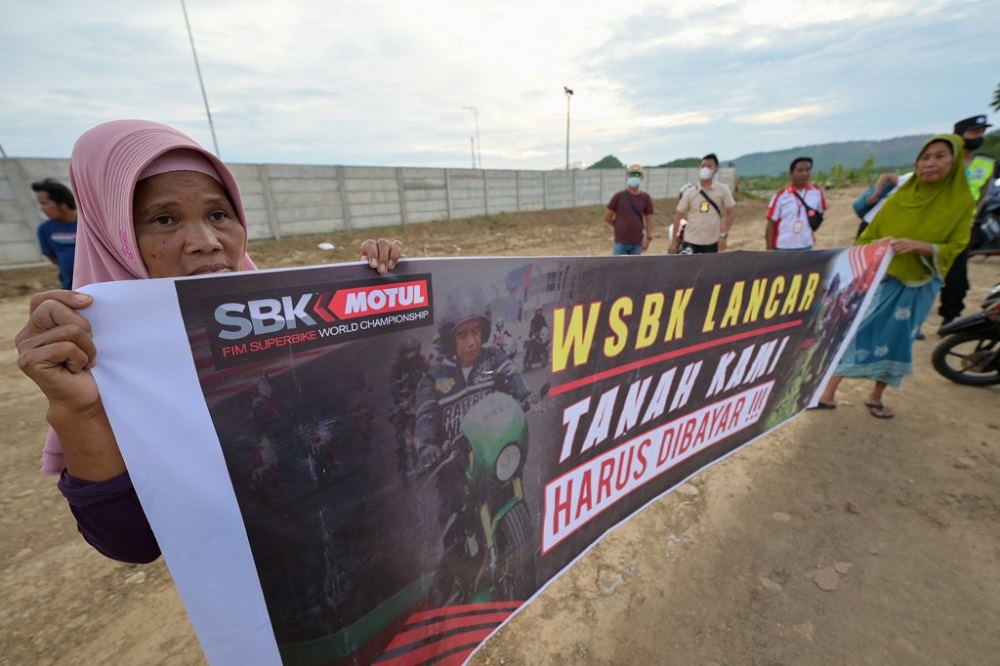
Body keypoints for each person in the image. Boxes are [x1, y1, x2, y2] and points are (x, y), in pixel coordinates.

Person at [14, 119, 404, 564]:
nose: (206, 242)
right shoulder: (94, 362)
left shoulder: (293, 319)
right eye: (164, 219)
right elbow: (132, 543)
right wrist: (80, 412)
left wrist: (383, 300)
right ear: (111, 231)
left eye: (218, 215)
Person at [815, 134, 973, 419]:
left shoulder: (961, 204)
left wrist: (921, 246)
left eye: (939, 156)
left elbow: (958, 246)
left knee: (899, 338)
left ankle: (876, 396)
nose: (929, 164)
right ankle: (827, 392)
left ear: (955, 161)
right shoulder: (898, 199)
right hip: (883, 281)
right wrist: (881, 243)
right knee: (856, 330)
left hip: (919, 285)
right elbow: (865, 240)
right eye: (924, 157)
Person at [938, 114, 996, 330]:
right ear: (959, 135)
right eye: (973, 132)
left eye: (981, 132)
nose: (978, 136)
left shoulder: (986, 164)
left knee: (957, 278)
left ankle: (949, 317)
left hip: (962, 228)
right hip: (935, 225)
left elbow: (983, 197)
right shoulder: (943, 160)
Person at [670, 153, 735, 254]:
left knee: (709, 269)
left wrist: (724, 235)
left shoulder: (722, 190)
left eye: (709, 166)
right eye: (703, 166)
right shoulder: (690, 192)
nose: (705, 169)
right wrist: (674, 241)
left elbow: (731, 213)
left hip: (712, 242)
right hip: (690, 241)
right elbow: (678, 216)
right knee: (689, 268)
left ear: (716, 169)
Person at [765, 157, 827, 251]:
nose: (804, 174)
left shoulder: (818, 193)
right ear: (791, 173)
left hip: (806, 245)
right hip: (782, 247)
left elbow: (820, 213)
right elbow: (770, 225)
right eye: (800, 170)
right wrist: (769, 251)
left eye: (807, 170)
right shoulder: (781, 196)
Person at [31, 178, 78, 289]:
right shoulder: (45, 229)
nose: (42, 208)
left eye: (44, 203)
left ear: (62, 203)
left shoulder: (89, 224)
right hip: (70, 289)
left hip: (98, 286)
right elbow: (53, 258)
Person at [604, 164, 654, 255]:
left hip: (637, 244)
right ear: (627, 177)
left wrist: (648, 238)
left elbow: (649, 218)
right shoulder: (618, 197)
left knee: (634, 269)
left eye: (637, 175)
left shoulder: (645, 198)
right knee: (618, 268)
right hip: (620, 243)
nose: (634, 177)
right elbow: (607, 216)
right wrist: (617, 225)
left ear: (641, 178)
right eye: (632, 175)